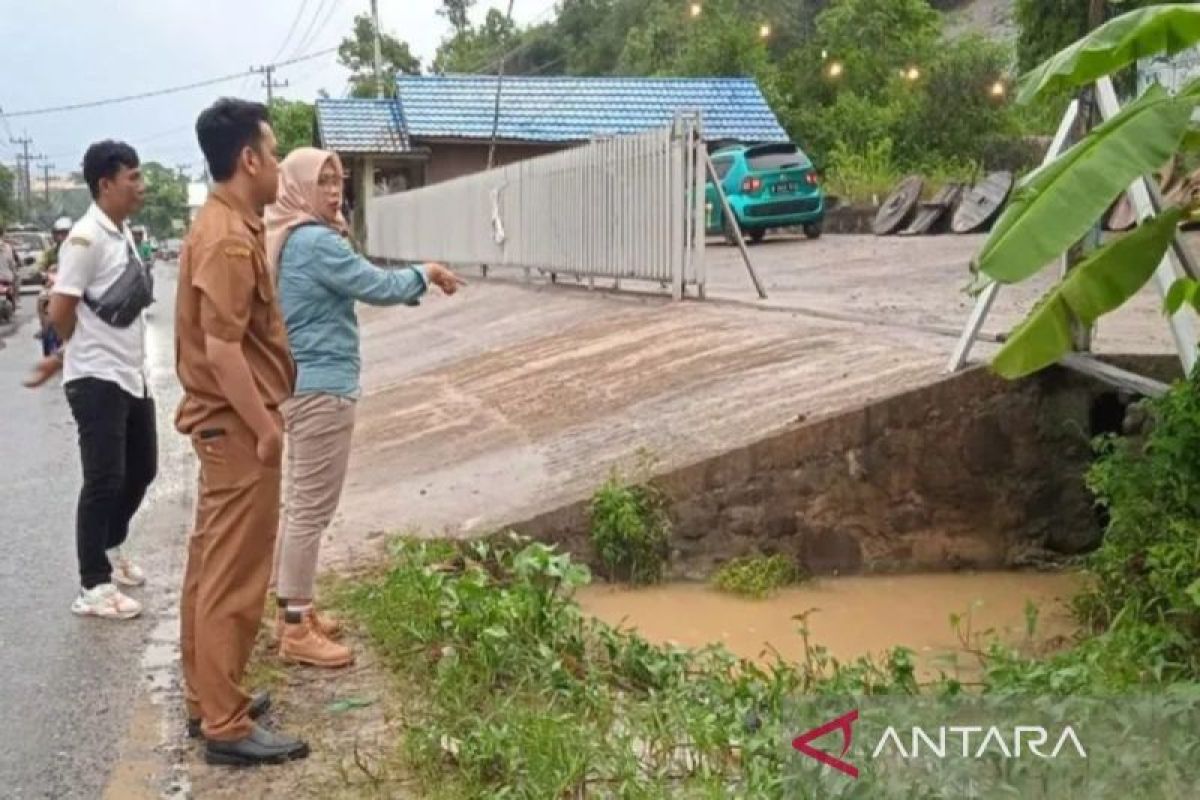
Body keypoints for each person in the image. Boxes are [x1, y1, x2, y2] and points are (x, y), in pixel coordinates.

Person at [265, 148, 464, 668]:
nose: (335, 191)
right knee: (311, 509)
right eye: (323, 182)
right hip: (321, 391)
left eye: (339, 180)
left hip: (301, 385)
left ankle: (293, 609)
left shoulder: (290, 235)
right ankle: (294, 629)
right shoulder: (312, 242)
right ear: (298, 187)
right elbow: (376, 284)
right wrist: (427, 271)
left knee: (300, 505)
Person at [175, 97, 307, 766]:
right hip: (236, 427)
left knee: (209, 566)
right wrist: (266, 429)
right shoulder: (227, 237)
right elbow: (224, 349)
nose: (280, 163)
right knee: (234, 576)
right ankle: (224, 724)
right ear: (248, 159)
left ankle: (210, 698)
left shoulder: (227, 224)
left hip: (223, 428)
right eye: (275, 150)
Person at [28, 142, 156, 619]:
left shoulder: (120, 232)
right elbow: (61, 309)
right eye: (134, 178)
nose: (140, 187)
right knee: (104, 479)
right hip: (97, 378)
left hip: (129, 374)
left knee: (142, 470)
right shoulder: (85, 238)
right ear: (106, 184)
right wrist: (67, 355)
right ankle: (93, 585)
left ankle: (110, 547)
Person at [37, 217, 72, 356]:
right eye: (59, 233)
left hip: (72, 287)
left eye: (65, 233)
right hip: (54, 287)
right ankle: (44, 326)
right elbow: (40, 266)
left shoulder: (78, 251)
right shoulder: (50, 253)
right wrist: (43, 274)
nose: (61, 237)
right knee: (41, 299)